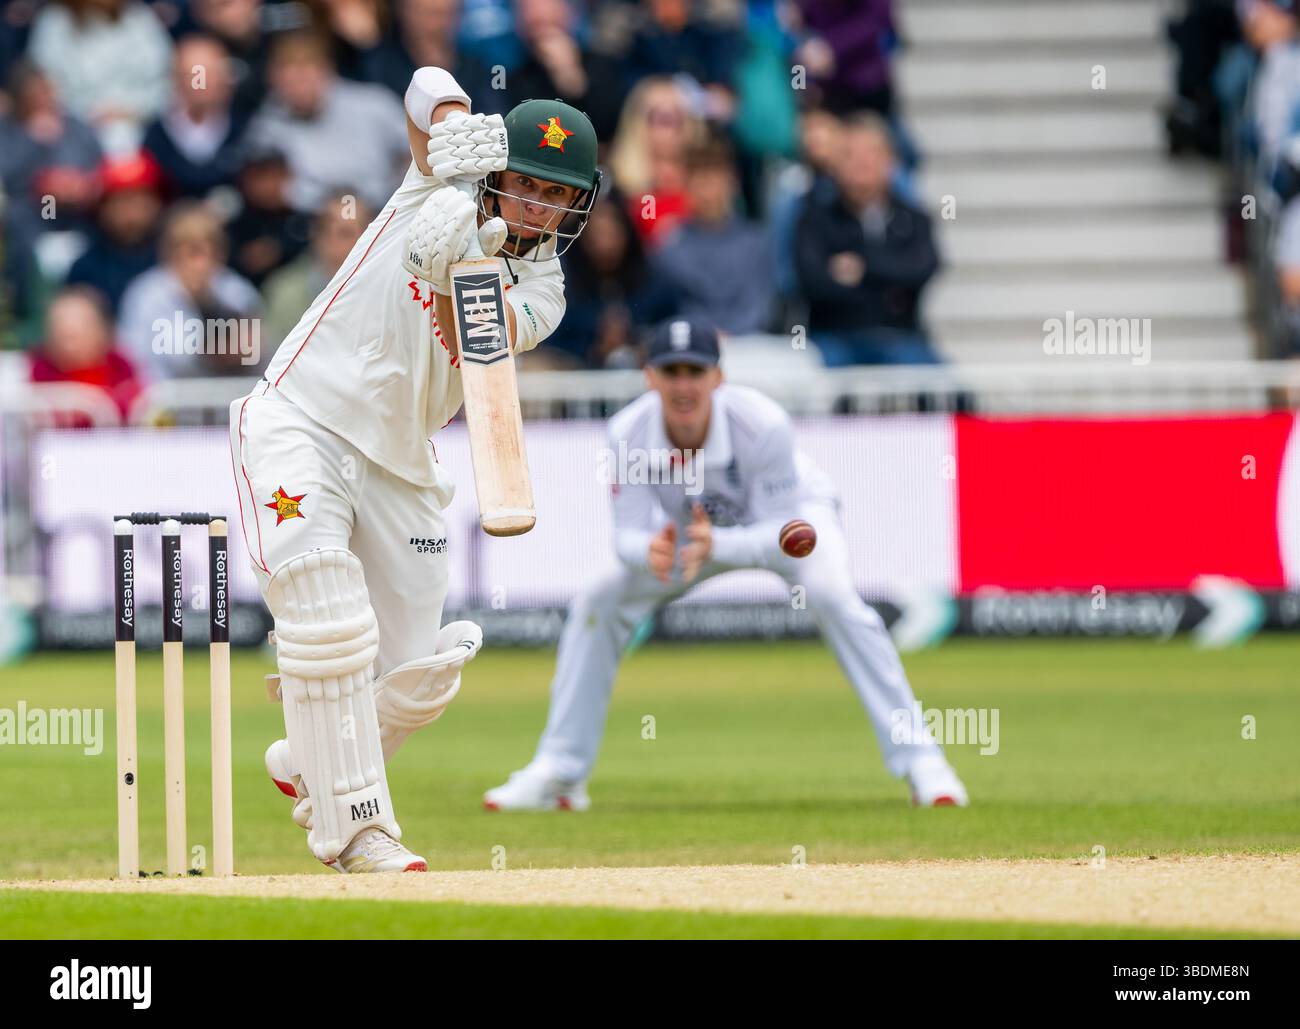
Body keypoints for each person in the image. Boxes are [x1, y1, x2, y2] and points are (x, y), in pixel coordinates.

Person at [230, 68, 600, 872]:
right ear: (498, 170)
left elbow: (477, 333)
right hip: (304, 419)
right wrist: (454, 127)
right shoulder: (441, 173)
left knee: (422, 677)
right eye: (526, 184)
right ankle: (358, 832)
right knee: (327, 614)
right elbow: (424, 82)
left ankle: (311, 762)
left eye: (556, 195)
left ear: (578, 205)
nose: (538, 205)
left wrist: (463, 257)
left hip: (404, 466)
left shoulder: (545, 286)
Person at [484, 318, 968, 812]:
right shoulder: (627, 432)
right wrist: (647, 550)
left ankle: (923, 762)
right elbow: (625, 534)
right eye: (670, 371)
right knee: (600, 597)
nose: (683, 385)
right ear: (649, 376)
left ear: (718, 376)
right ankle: (560, 773)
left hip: (788, 527)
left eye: (695, 371)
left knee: (834, 599)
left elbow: (786, 536)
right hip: (690, 542)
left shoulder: (762, 425)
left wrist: (720, 546)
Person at [794, 112, 941, 366]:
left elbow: (922, 268)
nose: (861, 163)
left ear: (890, 162)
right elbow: (814, 282)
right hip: (834, 338)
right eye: (850, 155)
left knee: (951, 390)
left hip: (901, 337)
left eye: (871, 153)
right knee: (818, 382)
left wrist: (863, 267)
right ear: (835, 165)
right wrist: (889, 284)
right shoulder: (813, 218)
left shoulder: (914, 217)